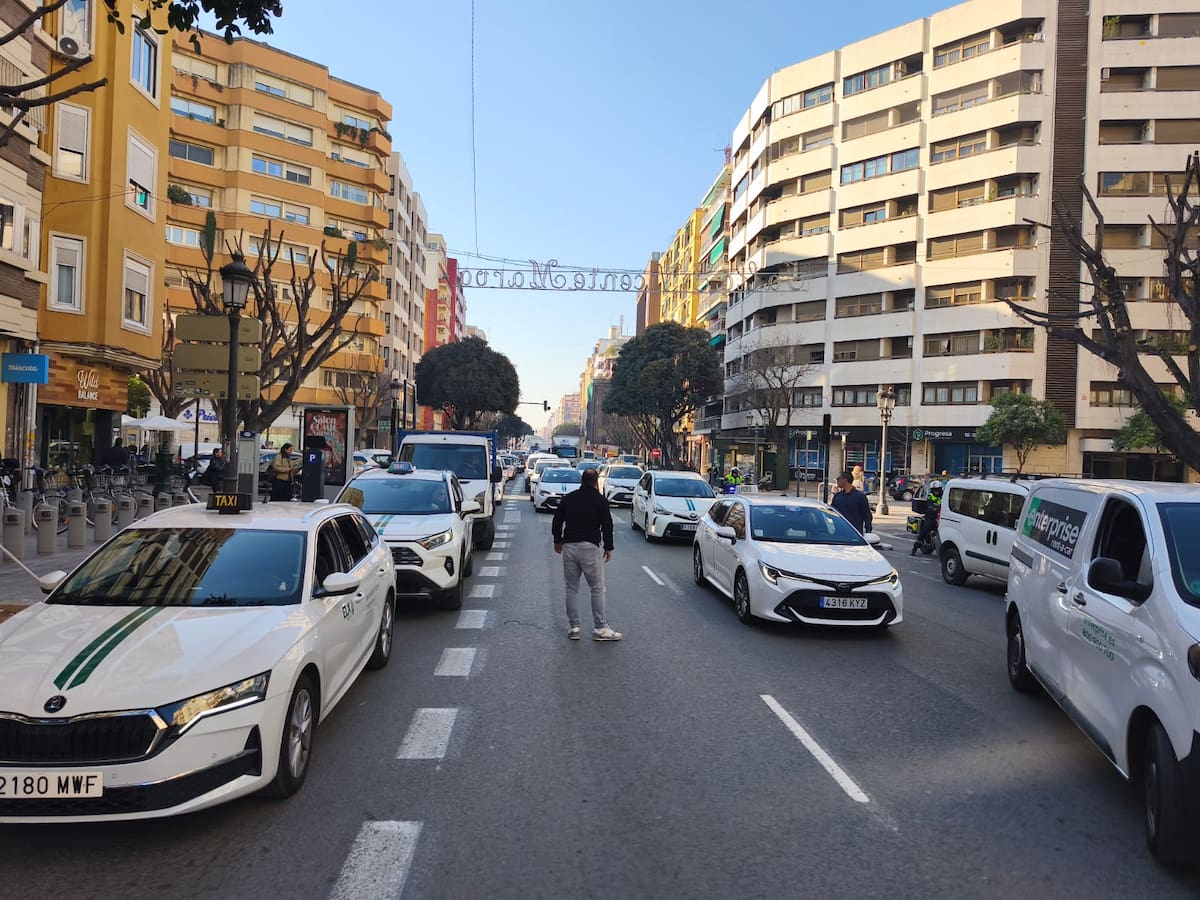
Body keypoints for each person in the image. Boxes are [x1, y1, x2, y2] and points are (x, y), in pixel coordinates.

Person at [551, 467, 620, 641]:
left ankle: (574, 627)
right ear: (596, 482)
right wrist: (609, 547)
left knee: (571, 588)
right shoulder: (600, 501)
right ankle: (600, 627)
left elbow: (557, 519)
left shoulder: (569, 498)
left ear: (581, 481)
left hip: (569, 546)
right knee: (597, 588)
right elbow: (607, 525)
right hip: (589, 547)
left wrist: (557, 540)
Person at [830, 469, 873, 534]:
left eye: (838, 479)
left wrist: (868, 531)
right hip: (839, 533)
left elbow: (867, 515)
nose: (837, 481)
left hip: (855, 534)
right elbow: (832, 513)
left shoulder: (860, 496)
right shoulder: (837, 496)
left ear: (845, 480)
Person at [912, 480, 944, 555]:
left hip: (941, 515)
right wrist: (934, 507)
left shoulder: (944, 495)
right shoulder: (930, 496)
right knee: (928, 527)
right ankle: (915, 547)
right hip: (931, 516)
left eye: (938, 490)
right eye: (935, 490)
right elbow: (929, 504)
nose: (936, 492)